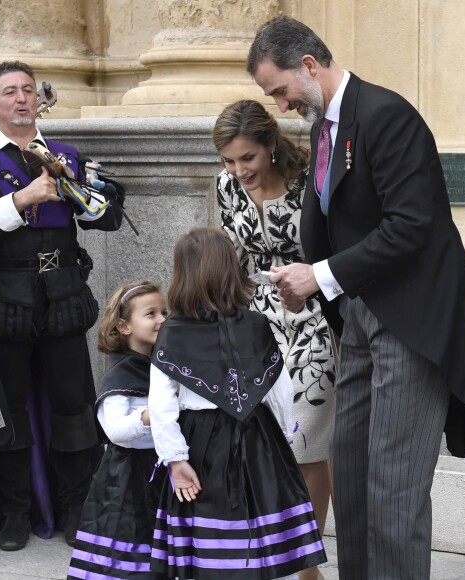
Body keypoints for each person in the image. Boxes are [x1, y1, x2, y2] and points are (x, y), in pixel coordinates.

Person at [247, 16, 465, 580]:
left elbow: (412, 226)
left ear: (308, 66)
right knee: (355, 471)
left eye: (280, 90)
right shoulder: (324, 124)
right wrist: (308, 276)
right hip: (358, 320)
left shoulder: (388, 116)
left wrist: (322, 275)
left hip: (412, 323)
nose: (282, 105)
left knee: (393, 484)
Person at [0, 60, 125, 551]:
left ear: (39, 100)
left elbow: (108, 221)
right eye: (9, 92)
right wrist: (20, 201)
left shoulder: (64, 155)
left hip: (62, 296)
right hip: (4, 303)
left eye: (27, 91)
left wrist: (75, 186)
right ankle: (14, 512)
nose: (21, 99)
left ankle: (73, 508)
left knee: (73, 408)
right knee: (8, 410)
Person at [148, 227, 327, 580]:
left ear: (182, 275)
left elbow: (160, 403)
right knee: (257, 524)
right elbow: (279, 389)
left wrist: (176, 459)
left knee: (207, 531)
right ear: (232, 270)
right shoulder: (257, 325)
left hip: (199, 447)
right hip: (257, 440)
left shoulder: (174, 331)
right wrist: (281, 444)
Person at [212, 99, 334, 580]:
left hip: (313, 321)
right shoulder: (226, 188)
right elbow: (231, 260)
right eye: (228, 159)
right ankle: (269, 548)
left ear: (270, 145)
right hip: (255, 323)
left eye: (248, 158)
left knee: (306, 440)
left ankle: (307, 566)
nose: (238, 170)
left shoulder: (310, 183)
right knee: (263, 437)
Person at [67, 280, 167, 579]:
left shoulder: (162, 365)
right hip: (126, 478)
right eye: (151, 314)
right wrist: (151, 415)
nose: (162, 319)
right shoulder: (121, 371)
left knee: (159, 547)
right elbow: (114, 430)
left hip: (162, 470)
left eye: (164, 312)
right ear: (124, 326)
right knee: (126, 548)